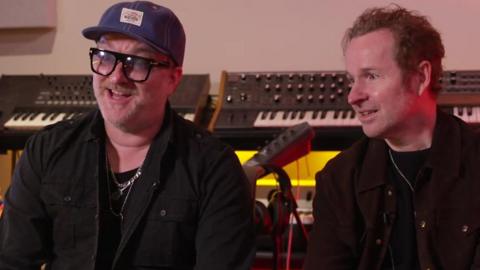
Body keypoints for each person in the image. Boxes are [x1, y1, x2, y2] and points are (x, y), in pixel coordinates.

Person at [0, 1, 255, 269]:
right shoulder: (46, 150)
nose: (116, 77)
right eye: (105, 57)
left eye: (137, 62)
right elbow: (12, 261)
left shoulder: (214, 166)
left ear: (173, 78)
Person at [304, 5, 480, 270]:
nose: (353, 96)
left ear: (420, 77)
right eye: (352, 80)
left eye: (371, 76)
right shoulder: (338, 179)